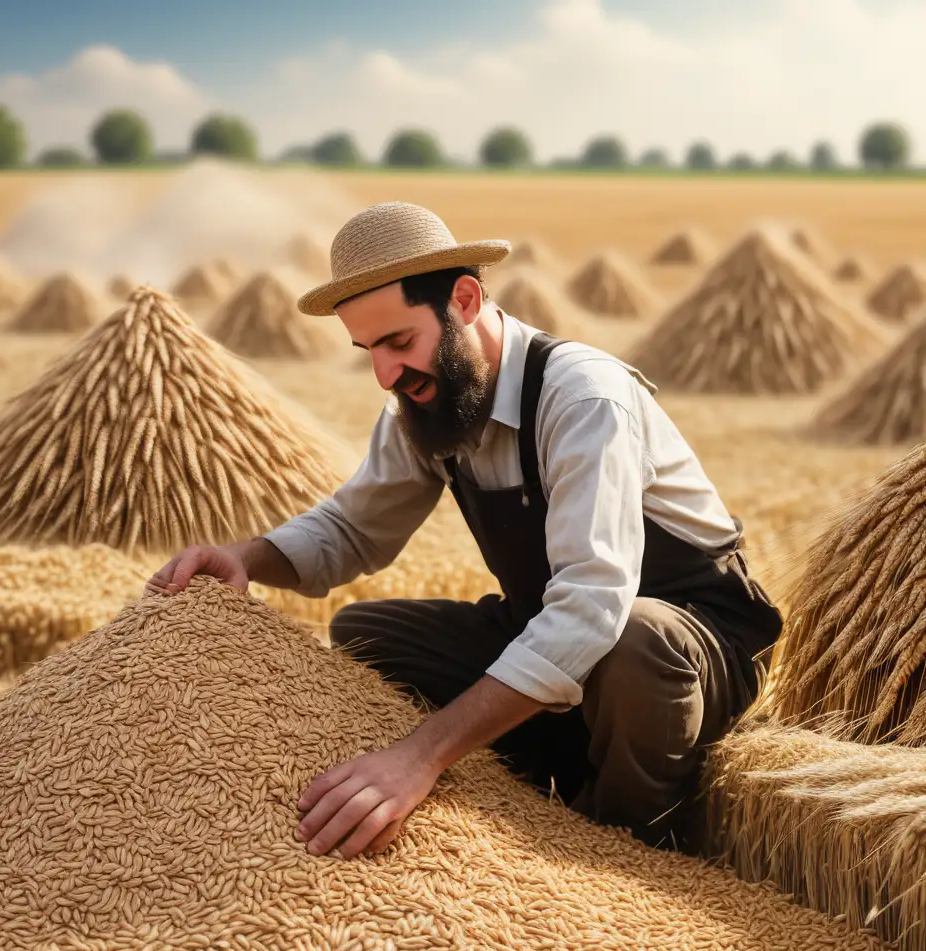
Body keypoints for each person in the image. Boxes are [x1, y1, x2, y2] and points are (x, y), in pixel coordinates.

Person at [146, 201, 783, 860]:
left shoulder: (583, 398)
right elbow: (351, 530)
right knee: (368, 637)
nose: (386, 374)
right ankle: (543, 777)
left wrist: (419, 758)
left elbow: (594, 607)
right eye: (369, 351)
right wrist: (244, 557)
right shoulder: (430, 402)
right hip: (559, 631)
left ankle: (632, 840)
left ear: (466, 299)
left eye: (399, 342)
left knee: (635, 640)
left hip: (687, 649)